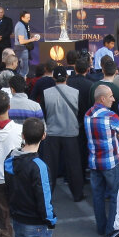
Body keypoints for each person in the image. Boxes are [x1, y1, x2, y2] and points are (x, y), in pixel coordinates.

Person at [85, 84, 119, 236]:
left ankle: (101, 227)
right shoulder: (110, 116)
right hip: (111, 162)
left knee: (97, 196)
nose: (113, 99)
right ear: (103, 98)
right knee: (115, 196)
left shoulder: (87, 114)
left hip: (94, 162)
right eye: (111, 96)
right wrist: (117, 134)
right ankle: (111, 230)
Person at [40, 66, 84, 202]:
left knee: (50, 167)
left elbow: (43, 114)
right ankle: (77, 194)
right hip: (71, 133)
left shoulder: (46, 93)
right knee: (74, 166)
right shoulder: (75, 92)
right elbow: (81, 113)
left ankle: (47, 196)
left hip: (52, 133)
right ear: (67, 77)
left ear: (54, 78)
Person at [12, 11, 40, 76]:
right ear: (22, 18)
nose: (29, 19)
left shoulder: (24, 25)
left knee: (23, 69)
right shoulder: (21, 26)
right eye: (27, 17)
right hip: (21, 49)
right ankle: (21, 83)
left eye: (29, 17)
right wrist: (32, 39)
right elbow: (21, 41)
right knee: (24, 70)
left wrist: (31, 38)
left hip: (22, 49)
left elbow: (24, 38)